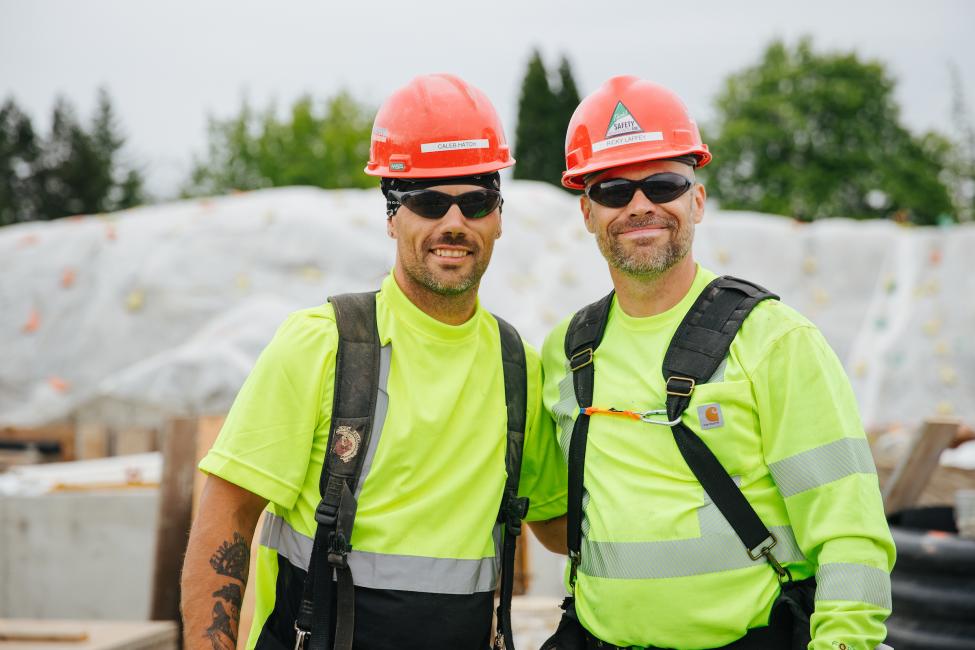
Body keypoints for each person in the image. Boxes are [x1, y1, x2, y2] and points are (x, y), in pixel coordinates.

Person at [180, 73, 567, 650]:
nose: (454, 223)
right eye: (429, 202)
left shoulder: (519, 367)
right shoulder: (323, 345)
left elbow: (559, 529)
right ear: (392, 216)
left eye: (476, 201)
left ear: (499, 217)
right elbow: (228, 516)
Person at [540, 75, 895, 650]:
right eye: (612, 191)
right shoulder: (566, 349)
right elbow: (553, 512)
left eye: (662, 184)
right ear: (586, 211)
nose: (639, 206)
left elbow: (851, 533)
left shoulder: (776, 341)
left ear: (697, 201)